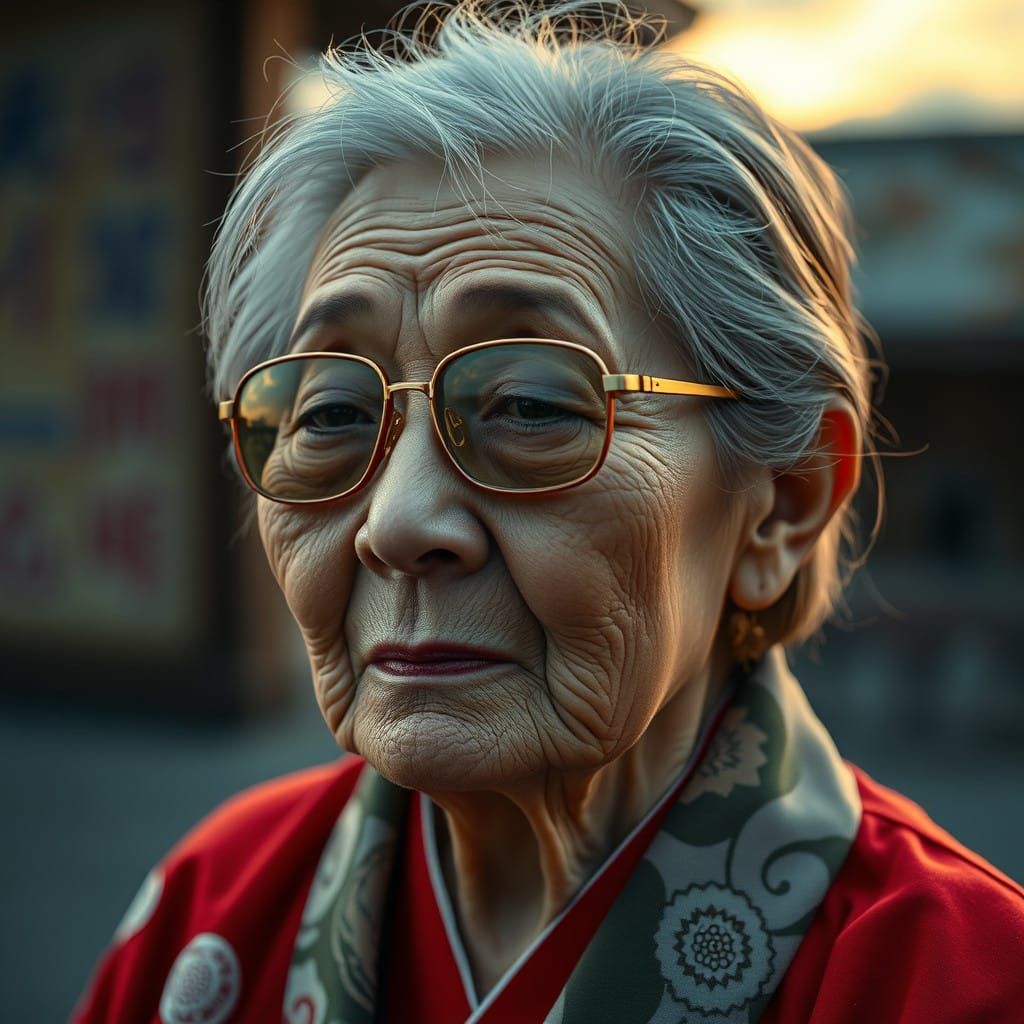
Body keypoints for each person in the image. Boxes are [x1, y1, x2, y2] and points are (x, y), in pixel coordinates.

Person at [73, 3, 1024, 1022]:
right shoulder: (213, 912)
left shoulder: (956, 979)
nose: (396, 524)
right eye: (334, 412)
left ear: (779, 507)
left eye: (528, 404)